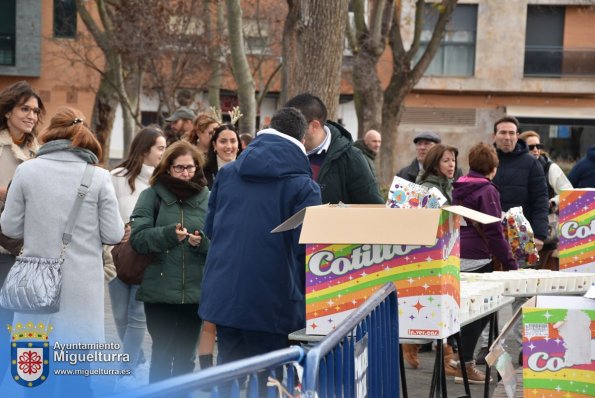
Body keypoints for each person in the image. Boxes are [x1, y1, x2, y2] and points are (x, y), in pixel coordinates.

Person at [0, 107, 124, 395]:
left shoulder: (26, 171)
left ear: (50, 133)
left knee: (33, 379)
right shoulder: (99, 177)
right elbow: (114, 234)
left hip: (35, 291)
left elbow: (9, 226)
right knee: (76, 381)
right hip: (81, 293)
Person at [198, 107, 321, 369]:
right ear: (301, 141)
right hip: (275, 303)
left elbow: (211, 229)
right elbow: (307, 250)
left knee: (227, 379)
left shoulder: (228, 174)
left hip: (225, 295)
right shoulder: (304, 186)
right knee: (271, 382)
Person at [130, 141, 209, 383]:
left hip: (195, 292)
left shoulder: (209, 197)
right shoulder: (151, 195)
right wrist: (167, 235)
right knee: (163, 355)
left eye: (191, 168)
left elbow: (222, 243)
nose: (186, 173)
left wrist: (203, 243)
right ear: (168, 168)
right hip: (160, 292)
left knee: (186, 358)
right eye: (179, 168)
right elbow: (138, 239)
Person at [451, 143, 518, 384]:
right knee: (482, 312)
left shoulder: (459, 185)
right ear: (493, 167)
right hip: (479, 256)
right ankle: (466, 364)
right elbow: (494, 231)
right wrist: (510, 263)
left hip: (458, 252)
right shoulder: (487, 191)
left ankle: (459, 357)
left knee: (468, 309)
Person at [108, 126, 166, 380]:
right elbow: (105, 213)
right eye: (160, 148)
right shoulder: (116, 177)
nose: (164, 154)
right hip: (117, 257)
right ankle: (137, 358)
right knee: (120, 317)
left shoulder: (163, 181)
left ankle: (127, 368)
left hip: (149, 258)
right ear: (144, 151)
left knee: (136, 317)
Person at [490, 115, 548, 366]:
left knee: (524, 294)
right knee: (488, 295)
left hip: (522, 239)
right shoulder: (486, 160)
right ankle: (488, 348)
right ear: (495, 135)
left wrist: (541, 234)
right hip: (489, 239)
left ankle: (529, 346)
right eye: (503, 133)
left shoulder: (530, 164)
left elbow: (540, 200)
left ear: (517, 136)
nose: (507, 137)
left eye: (512, 133)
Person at [0, 81, 45, 383]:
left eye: (35, 111)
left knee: (25, 328)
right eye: (24, 109)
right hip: (2, 250)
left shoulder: (40, 152)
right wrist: (7, 193)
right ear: (8, 112)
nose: (31, 115)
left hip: (30, 252)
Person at [402, 144, 458, 370]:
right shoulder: (427, 188)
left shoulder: (448, 186)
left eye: (453, 159)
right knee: (431, 303)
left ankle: (442, 354)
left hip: (445, 253)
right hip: (427, 254)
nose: (452, 164)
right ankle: (419, 346)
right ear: (435, 164)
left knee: (441, 304)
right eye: (446, 160)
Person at [285, 93, 383, 204]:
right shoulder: (284, 152)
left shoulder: (351, 158)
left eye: (293, 127)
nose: (288, 133)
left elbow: (373, 207)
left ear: (314, 126)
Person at [519, 131, 573, 270]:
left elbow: (568, 192)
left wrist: (553, 202)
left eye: (538, 146)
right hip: (520, 230)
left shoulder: (550, 168)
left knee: (544, 272)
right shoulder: (516, 166)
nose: (536, 150)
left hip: (546, 231)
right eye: (531, 147)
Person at [397, 131, 463, 183]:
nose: (422, 148)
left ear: (437, 148)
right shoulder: (403, 174)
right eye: (419, 144)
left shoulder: (454, 172)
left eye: (427, 143)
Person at [202, 123, 242, 189]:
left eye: (233, 141)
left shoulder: (247, 170)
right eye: (223, 141)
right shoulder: (203, 172)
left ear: (238, 145)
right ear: (214, 145)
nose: (229, 146)